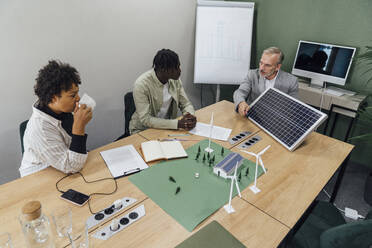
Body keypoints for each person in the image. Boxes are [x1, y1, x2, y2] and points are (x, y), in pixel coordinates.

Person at [20, 60, 92, 177]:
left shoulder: (62, 111)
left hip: (59, 167)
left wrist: (78, 123)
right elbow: (72, 166)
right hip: (38, 177)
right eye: (72, 95)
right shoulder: (40, 128)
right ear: (53, 98)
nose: (78, 98)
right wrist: (79, 127)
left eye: (77, 93)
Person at [129, 49, 196, 134]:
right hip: (143, 130)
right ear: (163, 70)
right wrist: (177, 124)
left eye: (179, 66)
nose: (179, 71)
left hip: (165, 128)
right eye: (176, 68)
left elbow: (186, 104)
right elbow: (145, 119)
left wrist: (189, 116)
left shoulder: (175, 80)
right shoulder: (141, 85)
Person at [233, 47, 299, 116]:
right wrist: (241, 103)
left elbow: (293, 107)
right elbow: (240, 92)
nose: (261, 68)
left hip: (275, 120)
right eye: (261, 63)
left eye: (267, 65)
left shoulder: (291, 81)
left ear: (277, 67)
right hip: (252, 115)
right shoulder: (252, 74)